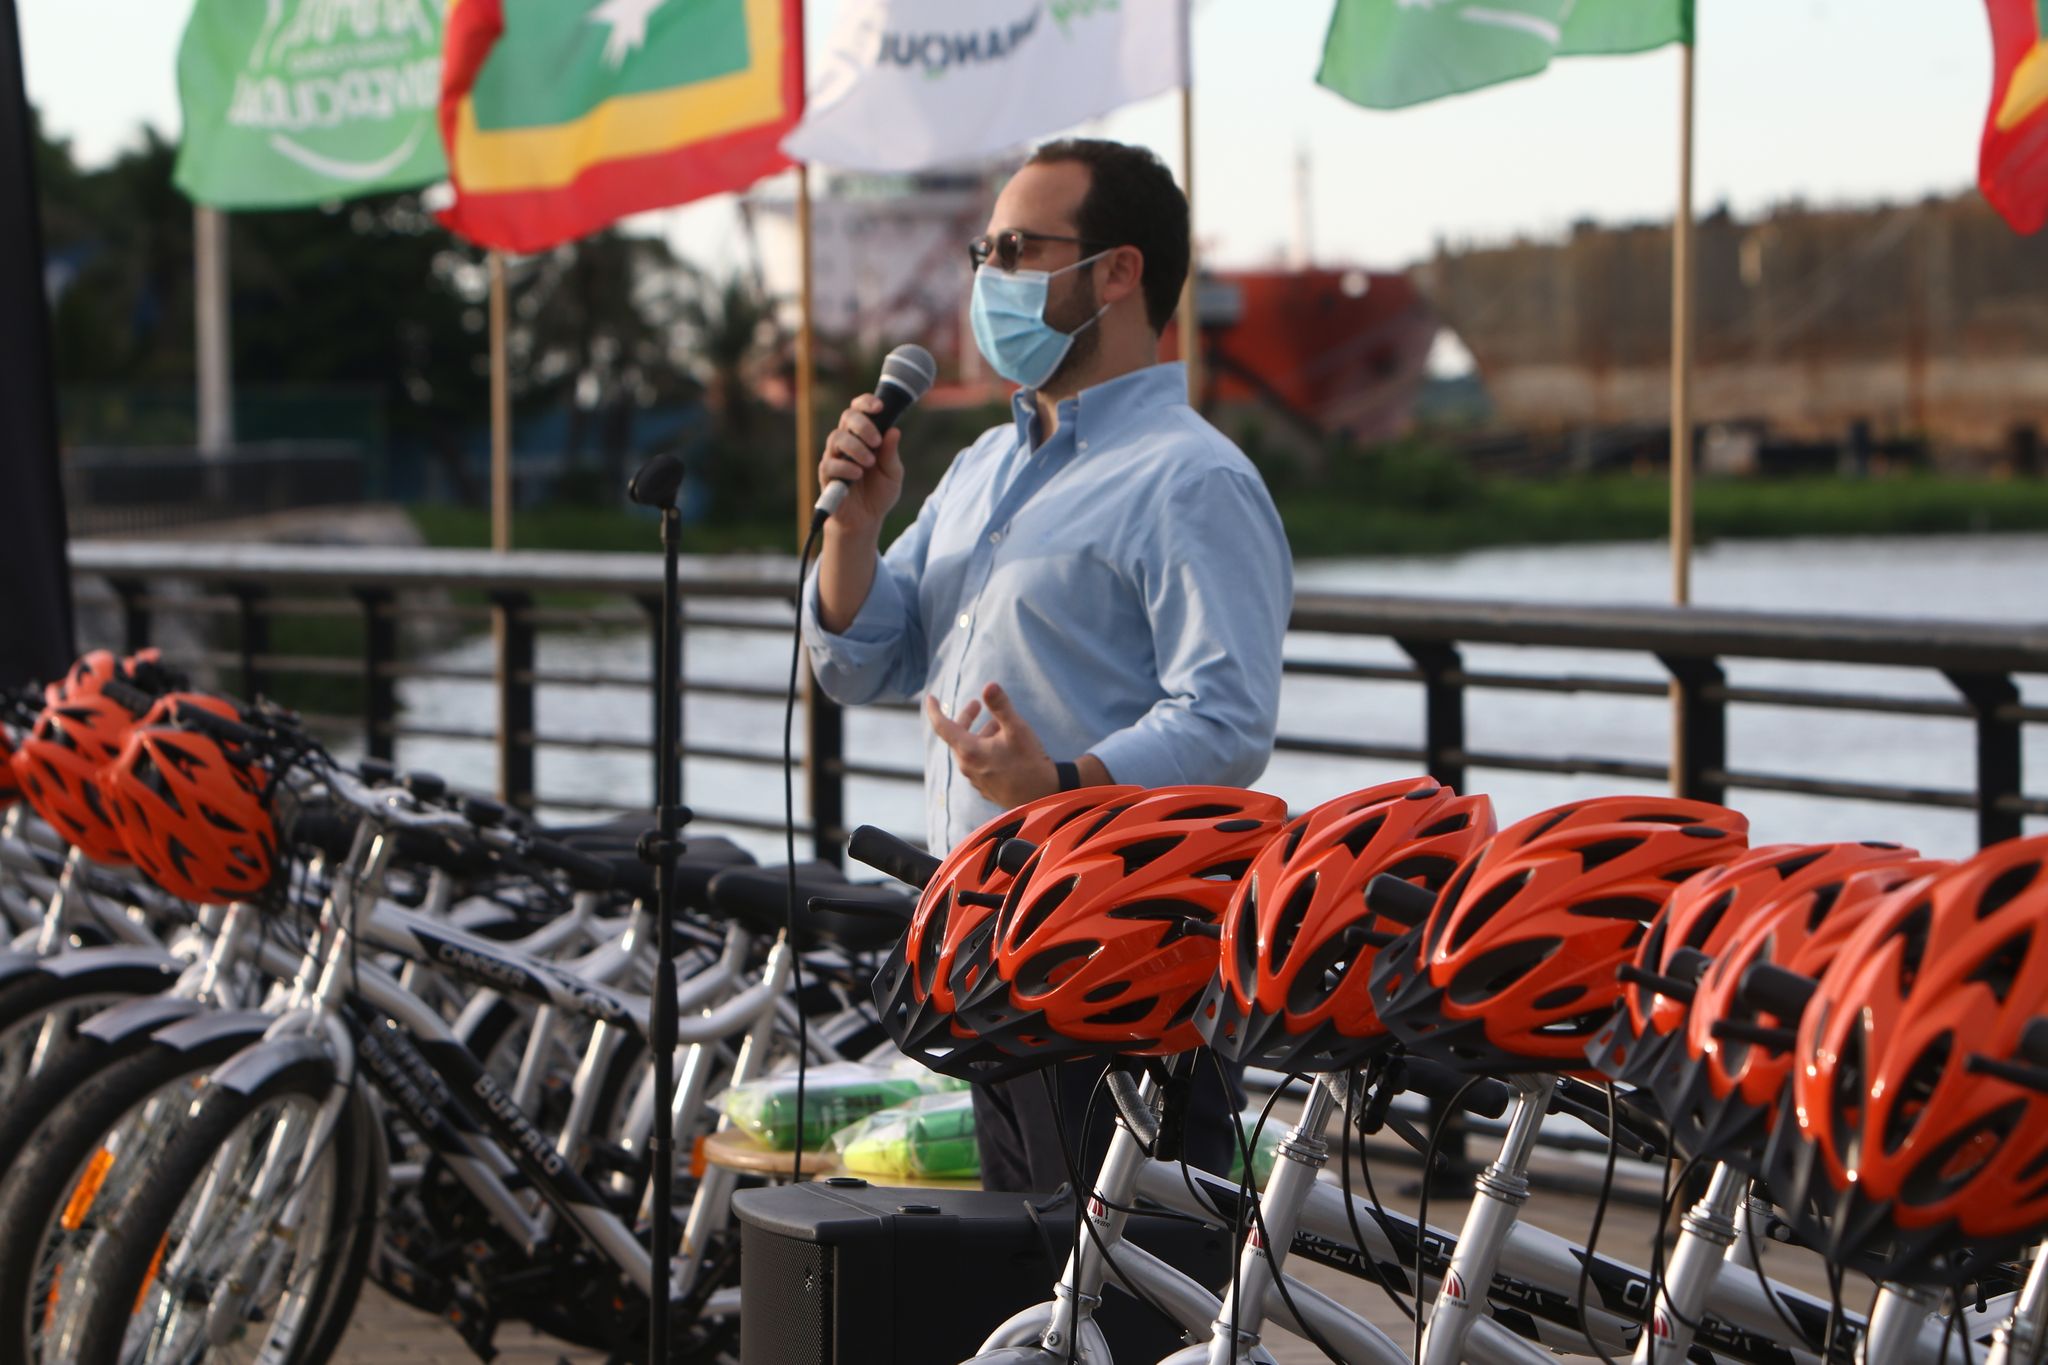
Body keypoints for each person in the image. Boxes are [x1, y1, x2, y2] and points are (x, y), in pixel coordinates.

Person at [801, 138, 1292, 1193]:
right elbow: (867, 661)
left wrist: (1063, 784)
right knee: (1027, 1269)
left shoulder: (1191, 479)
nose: (990, 273)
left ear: (1117, 272)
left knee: (1132, 1273)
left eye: (1019, 248)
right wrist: (854, 528)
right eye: (986, 250)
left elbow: (1226, 717)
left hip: (1121, 958)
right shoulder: (982, 466)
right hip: (985, 948)